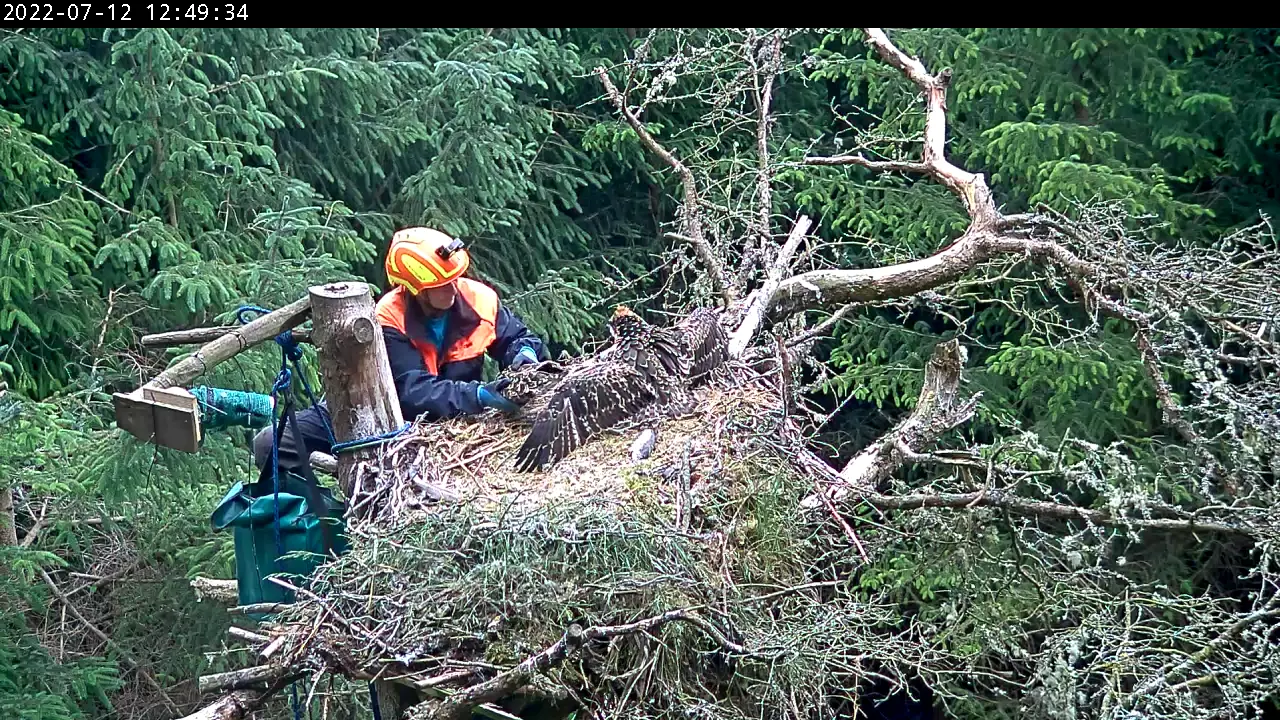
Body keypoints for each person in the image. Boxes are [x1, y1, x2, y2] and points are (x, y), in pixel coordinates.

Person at [253, 227, 548, 474]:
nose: (454, 288)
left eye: (454, 279)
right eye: (443, 284)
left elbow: (517, 338)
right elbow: (412, 393)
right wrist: (479, 396)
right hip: (367, 409)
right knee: (273, 443)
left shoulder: (479, 299)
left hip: (450, 414)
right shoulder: (388, 318)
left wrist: (526, 356)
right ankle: (324, 518)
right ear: (416, 288)